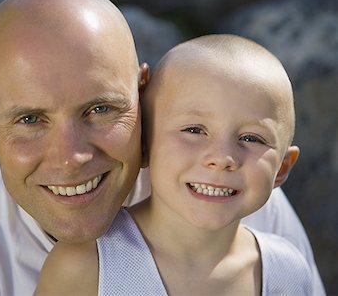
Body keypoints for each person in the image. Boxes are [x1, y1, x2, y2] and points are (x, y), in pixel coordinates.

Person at [0, 0, 324, 295]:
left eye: (99, 110)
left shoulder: (226, 191)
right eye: (30, 119)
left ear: (142, 94)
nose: (72, 156)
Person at [35, 34, 314, 295]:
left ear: (282, 167)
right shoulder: (87, 265)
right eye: (194, 130)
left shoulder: (287, 274)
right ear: (143, 144)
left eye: (251, 138)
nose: (222, 158)